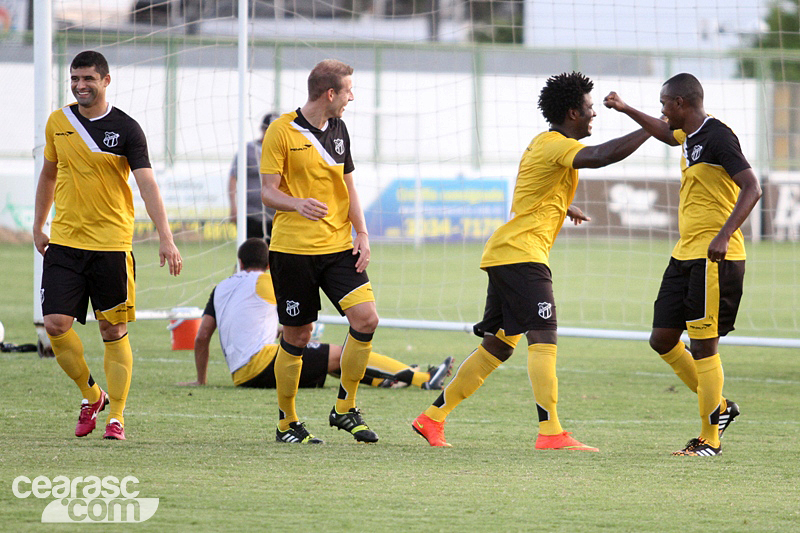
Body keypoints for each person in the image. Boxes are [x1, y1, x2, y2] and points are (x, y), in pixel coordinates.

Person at [412, 72, 651, 449]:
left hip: (509, 253)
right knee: (544, 335)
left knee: (499, 346)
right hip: (521, 255)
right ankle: (551, 432)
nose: (594, 114)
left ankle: (432, 418)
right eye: (590, 108)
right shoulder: (555, 144)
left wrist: (563, 206)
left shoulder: (544, 143)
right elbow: (602, 156)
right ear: (573, 113)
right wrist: (652, 127)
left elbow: (535, 188)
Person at [604, 73, 761, 456]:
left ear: (681, 103)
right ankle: (720, 406)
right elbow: (663, 131)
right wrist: (625, 109)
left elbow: (753, 187)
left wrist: (724, 235)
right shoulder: (688, 136)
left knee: (704, 347)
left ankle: (710, 438)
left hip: (715, 258)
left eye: (664, 104)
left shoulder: (718, 136)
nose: (662, 111)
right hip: (684, 255)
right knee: (662, 339)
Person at [32, 50, 182, 441]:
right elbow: (48, 175)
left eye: (88, 79)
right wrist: (38, 224)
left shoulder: (127, 128)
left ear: (106, 81)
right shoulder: (58, 122)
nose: (80, 85)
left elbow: (147, 184)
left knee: (112, 330)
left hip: (112, 245)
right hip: (65, 242)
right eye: (74, 78)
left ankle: (116, 416)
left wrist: (165, 236)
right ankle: (91, 394)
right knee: (55, 325)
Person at [178, 239, 454, 415]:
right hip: (264, 364)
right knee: (343, 352)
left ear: (239, 263)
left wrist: (201, 380)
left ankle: (387, 379)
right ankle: (423, 379)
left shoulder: (221, 287)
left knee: (328, 361)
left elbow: (202, 337)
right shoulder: (266, 281)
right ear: (269, 263)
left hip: (241, 375)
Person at [260, 59, 381, 444]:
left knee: (366, 319)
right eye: (348, 91)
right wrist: (297, 203)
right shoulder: (281, 130)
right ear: (330, 94)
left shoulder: (340, 129)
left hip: (338, 248)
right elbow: (267, 192)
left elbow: (349, 186)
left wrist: (362, 232)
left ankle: (345, 408)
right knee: (298, 335)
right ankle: (287, 422)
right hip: (292, 251)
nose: (351, 98)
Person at [229, 113, 277, 241]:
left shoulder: (283, 150)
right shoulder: (248, 150)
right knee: (251, 250)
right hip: (250, 214)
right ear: (262, 129)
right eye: (268, 129)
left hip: (276, 215)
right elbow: (233, 178)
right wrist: (233, 207)